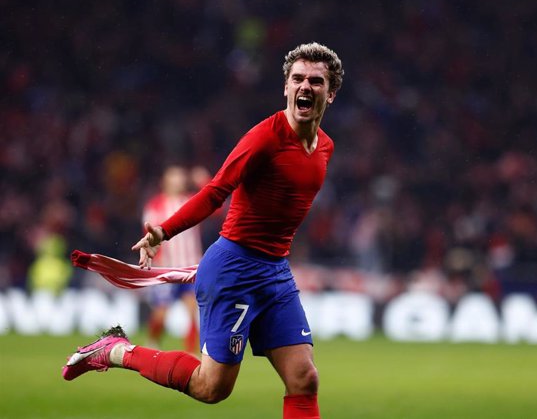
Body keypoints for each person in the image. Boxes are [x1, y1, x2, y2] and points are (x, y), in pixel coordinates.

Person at [62, 42, 344, 419]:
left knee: (304, 379)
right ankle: (115, 351)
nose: (305, 87)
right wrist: (163, 231)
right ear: (286, 88)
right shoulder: (264, 138)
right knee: (212, 388)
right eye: (297, 79)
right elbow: (215, 192)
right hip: (235, 270)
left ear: (331, 92)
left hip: (275, 272)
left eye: (315, 81)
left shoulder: (324, 146)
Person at [142, 165, 204, 353]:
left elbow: (216, 206)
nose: (178, 180)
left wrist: (203, 181)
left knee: (192, 312)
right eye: (174, 177)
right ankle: (152, 342)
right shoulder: (155, 206)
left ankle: (192, 355)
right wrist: (156, 260)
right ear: (165, 181)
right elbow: (149, 236)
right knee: (161, 314)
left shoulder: (190, 201)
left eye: (180, 177)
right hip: (166, 269)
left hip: (190, 268)